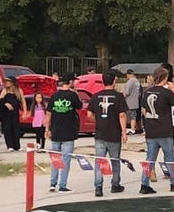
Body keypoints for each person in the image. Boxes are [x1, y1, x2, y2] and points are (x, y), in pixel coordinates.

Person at [139, 66, 174, 194]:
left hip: (151, 129)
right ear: (164, 78)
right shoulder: (166, 92)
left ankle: (144, 183)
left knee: (150, 159)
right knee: (169, 157)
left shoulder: (146, 92)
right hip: (164, 129)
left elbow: (143, 110)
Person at [87, 68, 128, 197]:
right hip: (114, 133)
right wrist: (124, 132)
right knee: (115, 160)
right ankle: (115, 184)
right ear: (114, 81)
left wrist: (98, 119)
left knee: (99, 160)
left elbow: (89, 114)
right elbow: (122, 115)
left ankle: (98, 187)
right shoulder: (118, 96)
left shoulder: (96, 96)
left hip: (100, 134)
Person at [45, 74, 82, 193]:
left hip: (55, 130)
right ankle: (62, 184)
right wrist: (75, 92)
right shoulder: (73, 95)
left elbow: (49, 113)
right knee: (66, 159)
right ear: (70, 82)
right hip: (69, 132)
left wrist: (47, 129)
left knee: (55, 158)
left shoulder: (54, 96)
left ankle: (52, 183)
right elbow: (80, 106)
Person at [0, 78, 27, 151]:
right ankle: (10, 146)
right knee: (7, 128)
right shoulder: (5, 90)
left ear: (13, 83)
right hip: (6, 113)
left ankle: (17, 145)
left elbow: (23, 101)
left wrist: (25, 111)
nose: (6, 83)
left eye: (8, 81)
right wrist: (6, 104)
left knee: (16, 128)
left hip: (15, 112)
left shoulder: (19, 90)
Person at [123, 69, 141, 135]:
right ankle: (135, 128)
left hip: (129, 102)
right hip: (136, 101)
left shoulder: (130, 82)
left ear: (129, 74)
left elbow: (126, 92)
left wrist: (122, 98)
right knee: (134, 116)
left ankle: (132, 129)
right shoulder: (137, 81)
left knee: (130, 116)